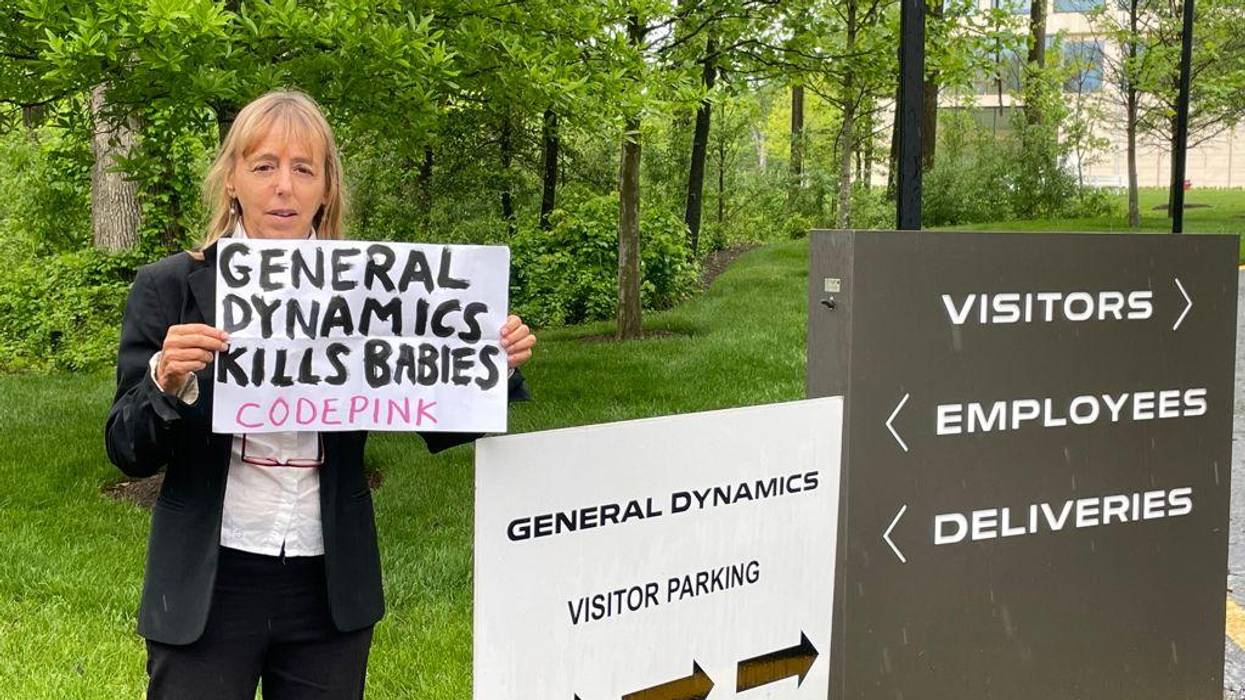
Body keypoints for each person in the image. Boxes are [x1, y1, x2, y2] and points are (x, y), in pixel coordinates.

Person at [104, 90, 536, 699]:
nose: (284, 186)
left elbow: (440, 415)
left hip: (329, 584)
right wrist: (164, 382)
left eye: (303, 168)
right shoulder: (168, 287)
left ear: (326, 187)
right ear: (232, 180)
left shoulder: (372, 290)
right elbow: (127, 449)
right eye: (264, 166)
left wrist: (494, 361)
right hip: (207, 580)